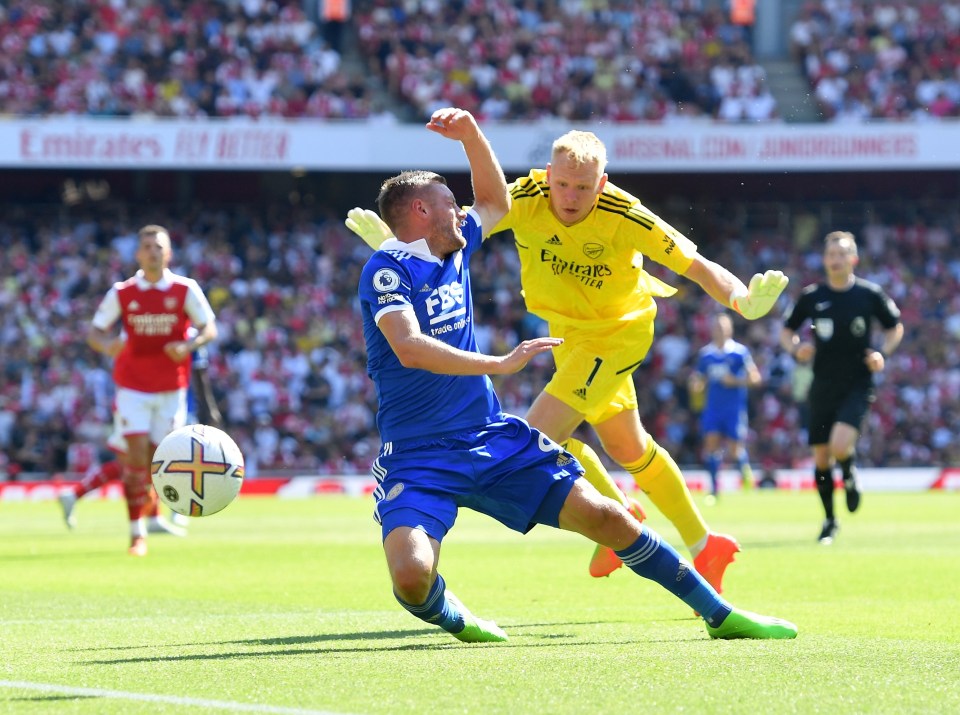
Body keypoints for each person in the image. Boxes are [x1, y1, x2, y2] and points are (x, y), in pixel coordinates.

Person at [357, 106, 796, 644]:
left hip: (616, 334)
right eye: (562, 183)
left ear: (602, 183)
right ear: (547, 176)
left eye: (583, 186)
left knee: (545, 435)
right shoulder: (512, 206)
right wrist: (389, 240)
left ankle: (650, 546)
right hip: (561, 340)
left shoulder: (622, 213)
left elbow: (694, 264)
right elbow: (440, 247)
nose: (570, 195)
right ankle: (704, 542)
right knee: (630, 446)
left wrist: (744, 300)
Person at [86, 225, 218, 556]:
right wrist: (109, 347)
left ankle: (159, 513)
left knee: (160, 462)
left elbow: (209, 328)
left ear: (168, 253)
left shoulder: (185, 289)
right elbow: (95, 333)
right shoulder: (122, 292)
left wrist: (190, 345)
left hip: (171, 387)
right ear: (137, 254)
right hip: (132, 386)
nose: (153, 251)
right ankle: (136, 534)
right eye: (146, 246)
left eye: (158, 246)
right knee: (134, 458)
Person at [780, 231, 902, 544]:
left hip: (857, 382)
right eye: (830, 254)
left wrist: (882, 354)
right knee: (821, 459)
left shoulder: (868, 294)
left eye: (841, 254)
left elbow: (894, 327)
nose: (835, 260)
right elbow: (787, 331)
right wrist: (796, 350)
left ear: (853, 259)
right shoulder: (812, 296)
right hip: (822, 384)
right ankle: (830, 521)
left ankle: (847, 471)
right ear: (824, 260)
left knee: (838, 445)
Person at [57, 338, 223, 532]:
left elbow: (198, 370)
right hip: (144, 405)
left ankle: (157, 515)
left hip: (170, 406)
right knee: (145, 462)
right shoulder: (148, 324)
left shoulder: (184, 330)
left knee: (143, 463)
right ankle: (172, 510)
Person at [688, 312, 761, 501]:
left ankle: (744, 469)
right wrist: (697, 384)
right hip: (713, 407)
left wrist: (735, 381)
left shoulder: (739, 353)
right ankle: (714, 490)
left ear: (730, 329)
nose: (718, 331)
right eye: (716, 327)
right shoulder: (706, 355)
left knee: (735, 449)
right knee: (711, 445)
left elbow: (755, 379)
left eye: (722, 327)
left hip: (734, 408)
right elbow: (699, 378)